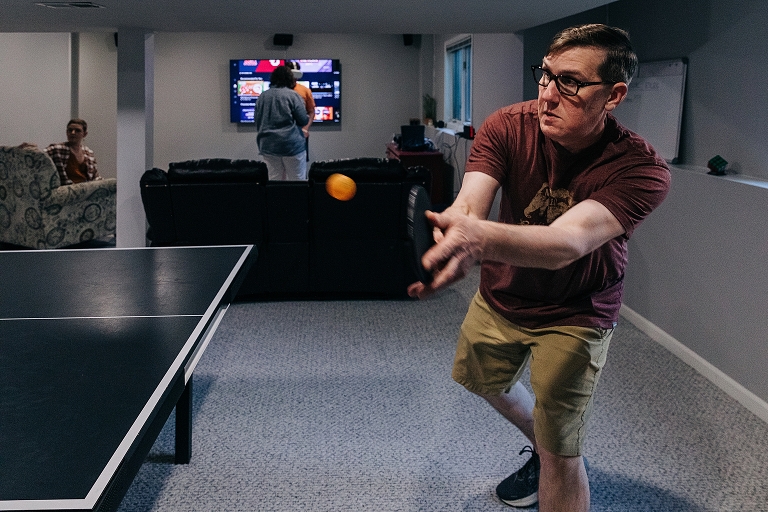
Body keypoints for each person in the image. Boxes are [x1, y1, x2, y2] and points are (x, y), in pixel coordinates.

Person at [408, 24, 670, 511]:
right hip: (502, 294)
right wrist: (458, 238)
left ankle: (556, 457)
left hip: (578, 310)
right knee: (483, 381)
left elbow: (565, 244)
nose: (548, 95)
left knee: (562, 455)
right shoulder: (508, 125)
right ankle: (548, 448)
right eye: (545, 77)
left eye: (569, 83)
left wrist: (476, 239)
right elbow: (470, 204)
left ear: (613, 95)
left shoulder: (640, 169)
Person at [254, 65, 310, 180]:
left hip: (269, 146)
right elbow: (303, 120)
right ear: (290, 79)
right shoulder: (294, 96)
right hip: (292, 146)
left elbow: (257, 120)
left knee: (274, 182)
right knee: (297, 182)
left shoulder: (262, 96)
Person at [45, 118, 102, 185]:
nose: (73, 133)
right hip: (66, 189)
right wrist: (32, 148)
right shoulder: (57, 149)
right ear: (66, 132)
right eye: (70, 130)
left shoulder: (89, 153)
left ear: (84, 134)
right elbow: (40, 155)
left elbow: (95, 176)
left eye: (77, 131)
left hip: (86, 190)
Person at [286, 61, 316, 138]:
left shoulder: (305, 90)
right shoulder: (277, 92)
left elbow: (311, 111)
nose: (294, 78)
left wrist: (305, 128)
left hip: (300, 134)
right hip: (281, 134)